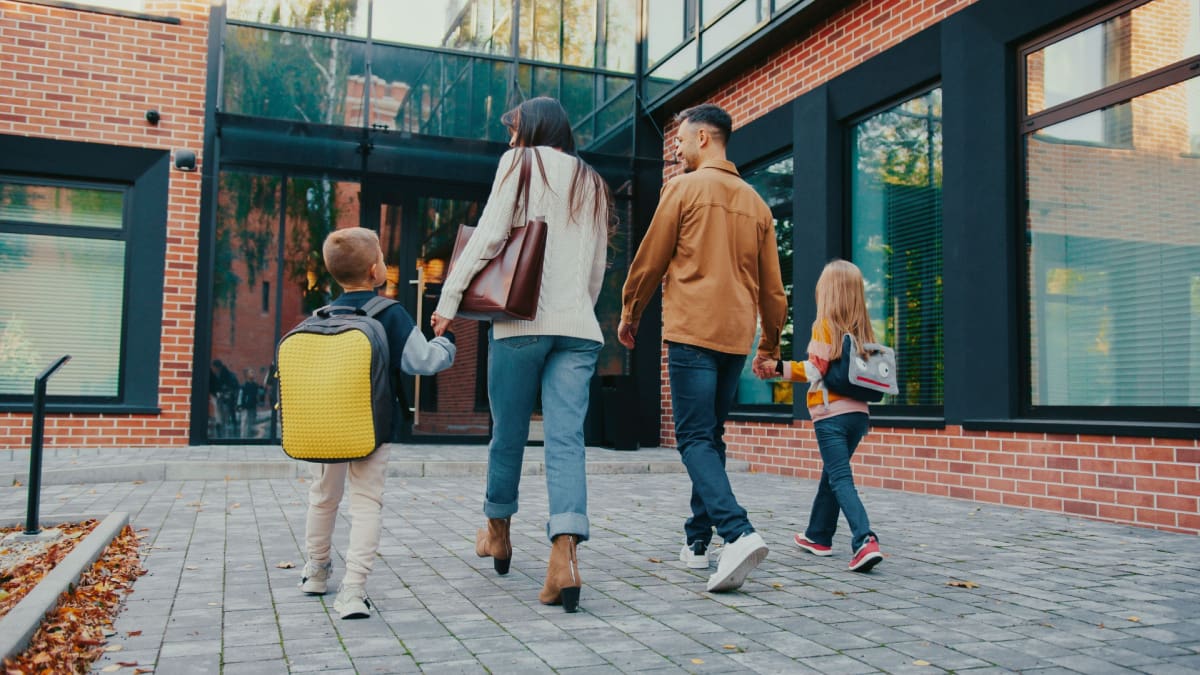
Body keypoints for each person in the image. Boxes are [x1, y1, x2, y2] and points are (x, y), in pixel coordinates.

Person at [431, 96, 611, 614]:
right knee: (565, 441)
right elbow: (596, 267)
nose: (509, 140)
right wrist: (577, 311)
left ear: (532, 130)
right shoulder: (592, 182)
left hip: (520, 325)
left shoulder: (521, 162)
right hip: (579, 328)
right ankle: (565, 559)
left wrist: (449, 302)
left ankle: (498, 530)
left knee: (507, 432)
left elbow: (488, 238)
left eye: (514, 130)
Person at [618, 103, 787, 593]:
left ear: (706, 139)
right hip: (736, 336)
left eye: (683, 139)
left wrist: (631, 313)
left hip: (692, 331)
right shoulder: (756, 203)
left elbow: (650, 260)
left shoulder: (684, 189)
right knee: (709, 437)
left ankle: (737, 532)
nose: (677, 146)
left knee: (693, 439)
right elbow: (774, 290)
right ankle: (696, 543)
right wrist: (769, 345)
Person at [299, 227, 457, 619]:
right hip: (371, 426)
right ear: (375, 270)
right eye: (384, 257)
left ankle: (316, 571)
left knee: (323, 496)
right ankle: (353, 589)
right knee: (366, 502)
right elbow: (423, 361)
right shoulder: (391, 314)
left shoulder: (321, 316)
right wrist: (446, 341)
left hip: (325, 424)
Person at [755, 259, 884, 573]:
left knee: (840, 478)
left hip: (831, 416)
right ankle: (818, 536)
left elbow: (815, 369)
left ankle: (865, 539)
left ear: (828, 292)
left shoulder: (824, 325)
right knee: (832, 475)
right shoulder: (864, 330)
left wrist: (778, 369)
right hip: (858, 417)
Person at [238, 368, 261, 438]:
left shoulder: (255, 385)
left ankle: (249, 437)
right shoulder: (244, 386)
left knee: (251, 423)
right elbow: (240, 395)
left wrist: (258, 401)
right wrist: (239, 405)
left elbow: (258, 395)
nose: (253, 374)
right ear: (247, 375)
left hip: (252, 406)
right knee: (244, 422)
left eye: (253, 372)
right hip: (245, 407)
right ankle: (243, 437)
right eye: (251, 372)